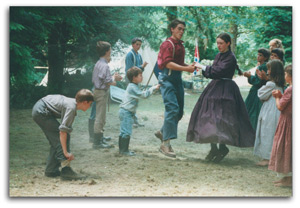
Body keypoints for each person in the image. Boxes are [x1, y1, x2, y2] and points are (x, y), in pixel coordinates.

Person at [186, 32, 255, 163]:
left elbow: (219, 71)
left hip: (226, 90)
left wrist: (204, 67)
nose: (219, 46)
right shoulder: (218, 55)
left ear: (228, 43)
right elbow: (212, 73)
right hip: (215, 88)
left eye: (221, 43)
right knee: (208, 117)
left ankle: (222, 147)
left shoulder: (231, 57)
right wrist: (206, 69)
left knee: (222, 119)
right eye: (217, 43)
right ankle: (213, 148)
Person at [154, 19, 195, 158]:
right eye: (179, 28)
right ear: (172, 29)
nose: (181, 31)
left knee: (179, 113)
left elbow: (178, 63)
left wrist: (189, 65)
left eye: (183, 29)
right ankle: (165, 145)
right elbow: (168, 64)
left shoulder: (179, 45)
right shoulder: (168, 44)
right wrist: (186, 68)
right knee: (172, 109)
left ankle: (162, 132)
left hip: (177, 80)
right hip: (167, 79)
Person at [32, 89, 94, 180]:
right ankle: (66, 170)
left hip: (40, 108)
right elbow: (63, 132)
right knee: (61, 137)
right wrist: (66, 153)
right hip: (41, 111)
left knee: (56, 141)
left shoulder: (72, 104)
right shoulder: (71, 107)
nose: (90, 106)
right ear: (85, 102)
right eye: (90, 104)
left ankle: (51, 170)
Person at [119, 67, 160, 156]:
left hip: (125, 111)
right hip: (126, 112)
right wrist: (153, 88)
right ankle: (124, 151)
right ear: (134, 78)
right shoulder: (132, 87)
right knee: (126, 132)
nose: (142, 77)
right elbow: (144, 95)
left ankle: (122, 150)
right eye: (140, 76)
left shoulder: (133, 86)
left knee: (123, 131)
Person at [253, 59, 285, 166]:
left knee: (267, 132)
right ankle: (273, 156)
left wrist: (263, 85)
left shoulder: (271, 84)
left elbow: (261, 94)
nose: (268, 71)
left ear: (273, 70)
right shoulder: (280, 83)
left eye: (269, 69)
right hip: (276, 109)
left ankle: (267, 158)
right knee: (273, 132)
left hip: (270, 110)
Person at [92, 41, 122, 149]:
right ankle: (97, 142)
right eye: (110, 50)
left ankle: (100, 137)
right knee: (100, 117)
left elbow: (104, 79)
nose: (111, 51)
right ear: (106, 51)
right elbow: (109, 82)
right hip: (101, 92)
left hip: (99, 91)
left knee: (101, 116)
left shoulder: (99, 63)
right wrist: (116, 78)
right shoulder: (104, 65)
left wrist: (112, 78)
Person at [269, 64, 292, 187]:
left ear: (290, 76)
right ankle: (286, 177)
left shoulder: (290, 89)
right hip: (289, 119)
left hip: (287, 122)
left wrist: (277, 97)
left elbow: (280, 106)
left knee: (285, 148)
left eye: (285, 74)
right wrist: (281, 97)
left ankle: (289, 178)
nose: (284, 76)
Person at [244, 48, 270, 131]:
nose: (258, 56)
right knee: (251, 111)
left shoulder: (264, 66)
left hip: (257, 92)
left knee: (254, 112)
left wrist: (249, 77)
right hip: (255, 91)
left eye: (260, 55)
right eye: (258, 54)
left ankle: (252, 131)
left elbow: (259, 81)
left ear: (265, 58)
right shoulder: (260, 65)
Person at [125, 37, 148, 128]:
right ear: (133, 44)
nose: (138, 46)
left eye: (140, 45)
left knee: (135, 101)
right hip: (131, 80)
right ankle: (130, 120)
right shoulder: (130, 55)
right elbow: (130, 70)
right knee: (130, 100)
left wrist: (142, 67)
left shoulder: (139, 55)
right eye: (137, 44)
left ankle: (134, 120)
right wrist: (142, 66)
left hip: (136, 80)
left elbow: (140, 69)